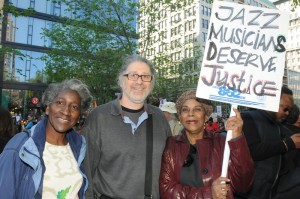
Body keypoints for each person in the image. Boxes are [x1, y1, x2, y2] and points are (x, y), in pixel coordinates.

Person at [81, 54, 172, 199]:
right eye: (133, 75)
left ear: (151, 82)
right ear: (121, 80)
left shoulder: (159, 118)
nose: (139, 82)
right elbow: (85, 172)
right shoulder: (99, 117)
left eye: (145, 76)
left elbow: (173, 164)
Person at [0, 79, 92, 198]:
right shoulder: (20, 146)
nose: (66, 111)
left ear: (79, 115)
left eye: (74, 107)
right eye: (60, 103)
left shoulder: (79, 147)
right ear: (48, 108)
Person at [159, 90, 254, 199]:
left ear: (206, 116)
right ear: (180, 116)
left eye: (197, 109)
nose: (191, 114)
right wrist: (209, 194)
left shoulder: (223, 143)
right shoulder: (171, 145)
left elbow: (243, 185)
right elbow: (166, 190)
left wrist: (237, 139)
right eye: (185, 110)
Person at [238, 86, 300, 199]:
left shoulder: (280, 126)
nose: (287, 113)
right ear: (273, 103)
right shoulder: (248, 118)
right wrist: (288, 144)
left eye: (289, 111)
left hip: (272, 192)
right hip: (250, 192)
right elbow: (252, 151)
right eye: (285, 109)